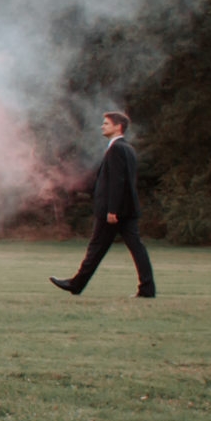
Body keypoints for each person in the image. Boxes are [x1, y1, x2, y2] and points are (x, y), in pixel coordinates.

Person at [51, 111, 155, 299]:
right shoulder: (128, 148)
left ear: (118, 127)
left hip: (114, 211)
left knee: (97, 247)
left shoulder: (116, 149)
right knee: (134, 248)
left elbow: (117, 181)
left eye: (106, 123)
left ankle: (76, 284)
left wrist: (112, 209)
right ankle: (147, 288)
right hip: (128, 209)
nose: (102, 126)